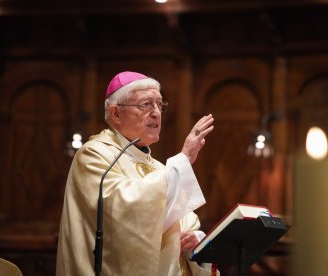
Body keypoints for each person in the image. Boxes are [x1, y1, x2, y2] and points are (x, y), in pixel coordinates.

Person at [56, 71, 215, 275]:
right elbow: (123, 215)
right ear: (116, 113)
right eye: (146, 105)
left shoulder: (159, 168)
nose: (156, 112)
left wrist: (195, 238)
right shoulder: (94, 155)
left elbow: (185, 221)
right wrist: (183, 159)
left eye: (159, 104)